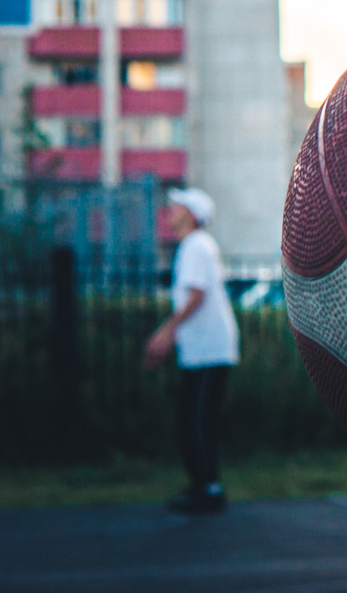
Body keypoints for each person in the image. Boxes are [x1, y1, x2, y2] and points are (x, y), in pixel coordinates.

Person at [145, 186, 239, 515]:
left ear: (190, 214)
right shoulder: (193, 247)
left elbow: (196, 296)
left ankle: (208, 489)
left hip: (210, 349)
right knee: (192, 419)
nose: (169, 211)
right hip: (203, 349)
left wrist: (165, 333)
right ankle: (202, 484)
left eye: (176, 206)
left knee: (196, 421)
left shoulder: (196, 246)